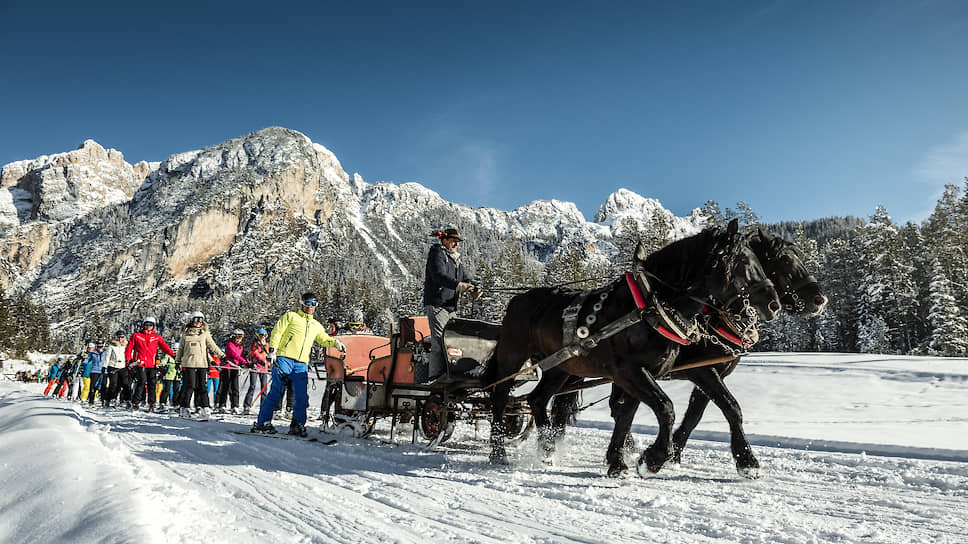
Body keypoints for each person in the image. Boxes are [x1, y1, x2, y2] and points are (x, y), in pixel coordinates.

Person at [251, 292, 345, 436]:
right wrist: (273, 350)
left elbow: (324, 339)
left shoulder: (316, 325)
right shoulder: (291, 316)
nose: (310, 307)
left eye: (314, 304)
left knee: (301, 396)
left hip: (301, 363)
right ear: (301, 304)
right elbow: (277, 331)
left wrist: (336, 343)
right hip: (284, 358)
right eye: (307, 303)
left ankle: (297, 424)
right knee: (276, 391)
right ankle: (262, 423)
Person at [422, 227, 482, 380]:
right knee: (439, 342)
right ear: (444, 240)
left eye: (458, 241)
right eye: (453, 241)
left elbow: (465, 278)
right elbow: (438, 276)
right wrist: (459, 285)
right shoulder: (437, 253)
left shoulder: (456, 259)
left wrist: (475, 286)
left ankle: (449, 375)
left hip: (450, 307)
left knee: (451, 343)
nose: (456, 244)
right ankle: (434, 379)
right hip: (437, 305)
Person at [174, 311, 225, 420]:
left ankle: (204, 407)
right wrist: (177, 361)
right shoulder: (185, 334)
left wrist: (222, 355)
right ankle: (185, 407)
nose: (198, 322)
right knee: (190, 385)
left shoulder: (205, 333)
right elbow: (181, 349)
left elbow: (212, 345)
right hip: (189, 363)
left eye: (200, 320)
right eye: (196, 320)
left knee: (202, 386)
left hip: (202, 363)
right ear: (192, 320)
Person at [125, 316, 176, 411]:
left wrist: (173, 355)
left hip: (151, 364)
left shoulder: (156, 337)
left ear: (153, 326)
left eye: (151, 325)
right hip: (140, 363)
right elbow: (129, 348)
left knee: (152, 384)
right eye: (147, 324)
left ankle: (152, 403)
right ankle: (136, 403)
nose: (148, 326)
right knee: (141, 382)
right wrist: (128, 360)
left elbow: (164, 347)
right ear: (144, 325)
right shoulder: (137, 335)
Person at [216, 329, 248, 413]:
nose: (239, 339)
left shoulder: (240, 346)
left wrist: (248, 362)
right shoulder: (229, 344)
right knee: (225, 387)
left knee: (235, 387)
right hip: (227, 367)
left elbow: (242, 355)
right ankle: (222, 404)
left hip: (235, 368)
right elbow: (235, 355)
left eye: (240, 337)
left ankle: (235, 405)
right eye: (237, 336)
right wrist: (244, 362)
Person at [243, 328, 270, 415]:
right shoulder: (254, 344)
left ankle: (264, 406)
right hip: (255, 366)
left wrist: (268, 362)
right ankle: (247, 405)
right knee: (252, 386)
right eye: (261, 335)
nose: (262, 337)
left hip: (263, 368)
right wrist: (261, 360)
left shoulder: (266, 345)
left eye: (264, 335)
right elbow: (255, 353)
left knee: (264, 388)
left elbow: (268, 355)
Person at [101, 331, 128, 407]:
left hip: (122, 366)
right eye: (118, 337)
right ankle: (108, 399)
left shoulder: (126, 346)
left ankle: (121, 399)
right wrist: (104, 366)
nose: (120, 339)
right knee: (113, 383)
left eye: (122, 337)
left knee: (123, 384)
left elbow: (129, 355)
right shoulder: (111, 346)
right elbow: (107, 357)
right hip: (113, 365)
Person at [87, 341, 105, 406]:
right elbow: (87, 360)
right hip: (94, 371)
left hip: (103, 371)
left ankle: (102, 399)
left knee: (102, 385)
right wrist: (84, 358)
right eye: (98, 346)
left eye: (101, 346)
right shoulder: (93, 353)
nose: (100, 348)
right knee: (93, 385)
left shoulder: (105, 352)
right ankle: (91, 399)